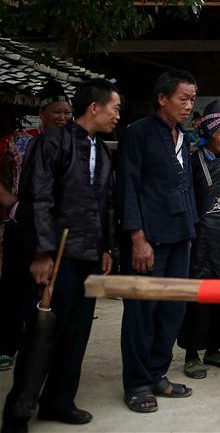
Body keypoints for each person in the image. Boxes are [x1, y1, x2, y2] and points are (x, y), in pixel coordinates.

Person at [1, 81, 119, 433]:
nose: (117, 114)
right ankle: (18, 411)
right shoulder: (51, 143)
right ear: (94, 108)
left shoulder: (101, 149)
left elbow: (104, 204)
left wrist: (105, 248)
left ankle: (59, 401)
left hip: (87, 254)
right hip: (57, 253)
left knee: (77, 332)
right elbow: (38, 199)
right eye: (113, 107)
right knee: (43, 332)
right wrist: (41, 253)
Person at [118, 70, 199, 413]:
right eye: (183, 98)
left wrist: (191, 232)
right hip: (148, 240)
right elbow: (127, 188)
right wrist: (137, 238)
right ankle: (137, 383)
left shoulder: (185, 137)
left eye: (192, 99)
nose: (188, 105)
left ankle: (157, 374)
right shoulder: (138, 134)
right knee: (141, 312)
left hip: (180, 237)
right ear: (162, 98)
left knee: (171, 311)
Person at [0, 80, 72, 372]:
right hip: (21, 222)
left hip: (56, 227)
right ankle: (6, 345)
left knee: (47, 289)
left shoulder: (74, 142)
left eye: (67, 112)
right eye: (56, 111)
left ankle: (40, 347)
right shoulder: (17, 141)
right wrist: (11, 202)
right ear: (42, 113)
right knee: (13, 286)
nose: (63, 117)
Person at [177, 100, 220, 380]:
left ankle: (215, 349)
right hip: (201, 238)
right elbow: (188, 200)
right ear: (210, 134)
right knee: (198, 298)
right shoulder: (192, 162)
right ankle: (192, 354)